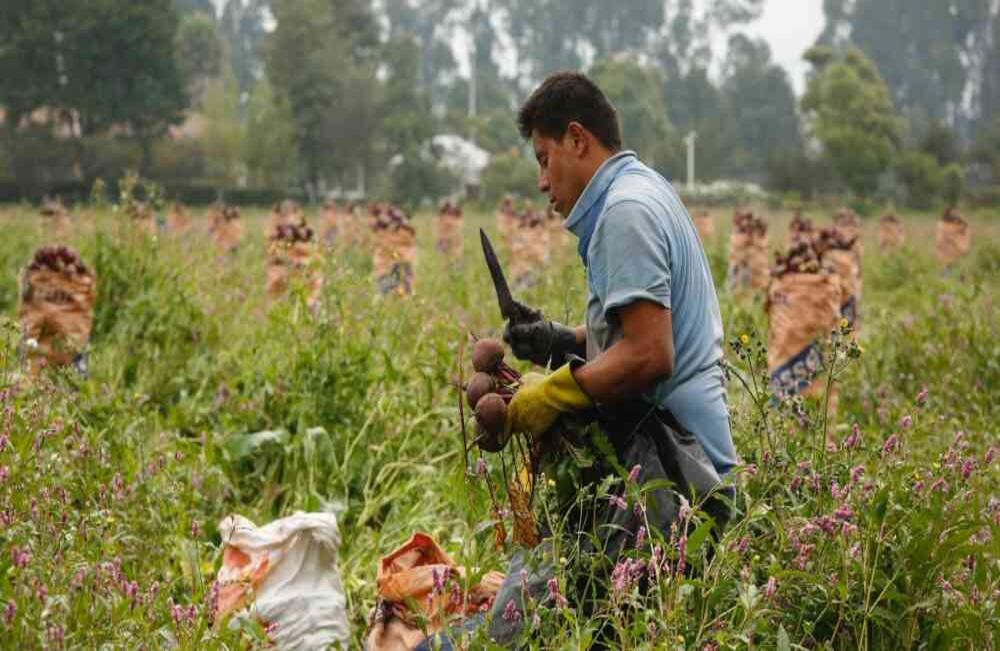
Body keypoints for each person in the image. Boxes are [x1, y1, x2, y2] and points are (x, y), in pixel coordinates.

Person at [416, 71, 735, 650]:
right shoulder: (641, 191)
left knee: (517, 632)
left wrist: (551, 393)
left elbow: (649, 355)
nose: (541, 181)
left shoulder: (625, 212)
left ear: (578, 139)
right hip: (673, 470)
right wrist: (557, 341)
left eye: (544, 159)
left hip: (677, 489)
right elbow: (633, 340)